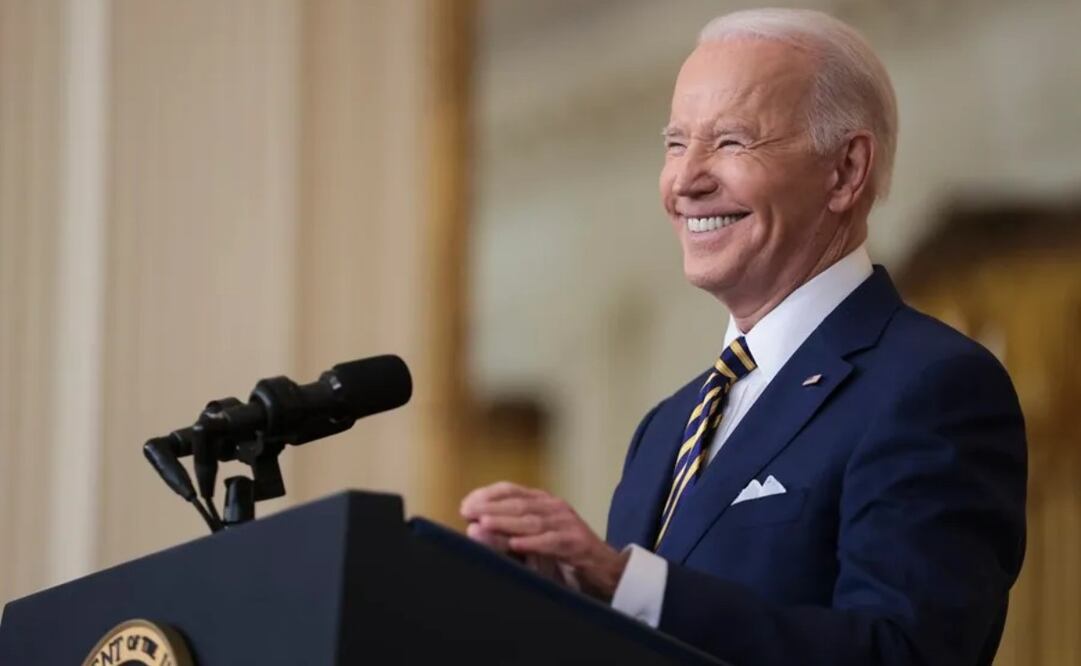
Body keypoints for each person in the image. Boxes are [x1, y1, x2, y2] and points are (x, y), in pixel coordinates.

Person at [460, 8, 1026, 665]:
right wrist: (561, 602)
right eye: (675, 143)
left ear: (844, 171)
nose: (686, 180)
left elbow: (904, 654)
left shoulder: (929, 385)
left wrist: (626, 583)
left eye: (730, 142)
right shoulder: (664, 428)